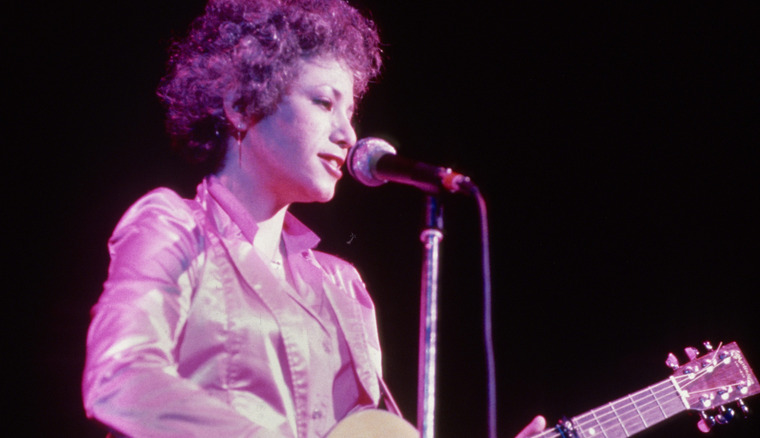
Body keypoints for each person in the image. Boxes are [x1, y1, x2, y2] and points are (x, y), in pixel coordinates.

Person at [82, 0, 546, 436]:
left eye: (351, 111)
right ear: (242, 104)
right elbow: (120, 380)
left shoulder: (342, 286)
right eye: (325, 103)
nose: (348, 133)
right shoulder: (172, 227)